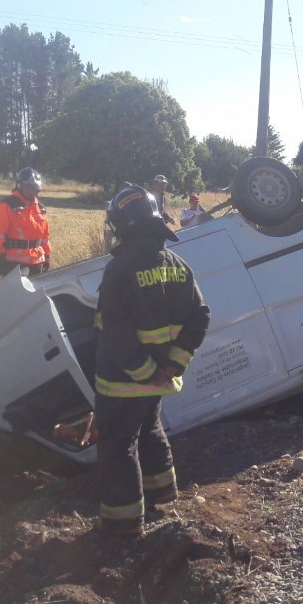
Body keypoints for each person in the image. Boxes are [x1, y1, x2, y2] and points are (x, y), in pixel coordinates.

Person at [94, 185, 210, 536]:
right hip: (160, 377)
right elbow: (200, 316)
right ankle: (163, 493)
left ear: (122, 226)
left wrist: (143, 372)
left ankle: (123, 524)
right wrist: (172, 365)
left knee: (118, 444)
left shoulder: (119, 270)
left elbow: (113, 330)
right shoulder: (178, 265)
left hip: (124, 380)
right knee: (150, 429)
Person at [0, 167, 51, 276]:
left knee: (37, 293)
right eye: (27, 187)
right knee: (16, 293)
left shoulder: (41, 208)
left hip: (38, 261)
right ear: (19, 186)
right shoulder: (7, 205)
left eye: (33, 188)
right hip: (15, 263)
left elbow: (45, 236)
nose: (30, 191)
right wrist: (0, 254)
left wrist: (47, 255)